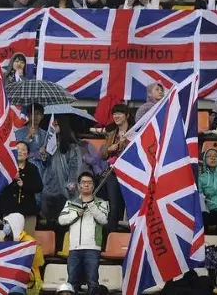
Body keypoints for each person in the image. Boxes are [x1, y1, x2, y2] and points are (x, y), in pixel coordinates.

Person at [58, 172, 108, 293]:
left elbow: (103, 220)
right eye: (83, 182)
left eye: (89, 183)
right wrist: (76, 214)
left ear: (93, 186)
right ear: (79, 185)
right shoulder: (71, 202)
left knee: (93, 282)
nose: (86, 185)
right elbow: (61, 220)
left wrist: (91, 204)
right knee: (72, 282)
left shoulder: (101, 202)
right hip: (74, 248)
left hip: (92, 248)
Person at [40, 115, 83, 223]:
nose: (54, 126)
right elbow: (45, 165)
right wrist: (44, 156)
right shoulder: (48, 144)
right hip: (49, 189)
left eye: (56, 124)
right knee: (49, 222)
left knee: (63, 222)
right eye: (53, 124)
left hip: (65, 191)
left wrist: (71, 184)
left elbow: (75, 167)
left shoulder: (72, 146)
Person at [0, 141, 43, 235]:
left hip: (28, 212)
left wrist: (24, 184)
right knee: (10, 240)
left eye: (23, 150)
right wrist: (11, 178)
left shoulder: (32, 168)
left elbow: (39, 187)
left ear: (28, 154)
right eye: (17, 149)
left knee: (27, 240)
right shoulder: (5, 167)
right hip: (9, 210)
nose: (20, 152)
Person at [100, 104, 130, 232]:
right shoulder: (111, 132)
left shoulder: (134, 131)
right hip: (113, 172)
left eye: (119, 113)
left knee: (128, 204)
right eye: (114, 114)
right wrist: (108, 149)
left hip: (129, 172)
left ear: (127, 115)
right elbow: (102, 155)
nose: (116, 116)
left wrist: (126, 143)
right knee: (114, 205)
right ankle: (111, 235)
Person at [3, 213, 44, 295]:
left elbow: (39, 262)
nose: (5, 226)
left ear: (15, 225)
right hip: (10, 277)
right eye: (5, 223)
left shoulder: (30, 241)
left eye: (8, 223)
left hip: (29, 279)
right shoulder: (5, 240)